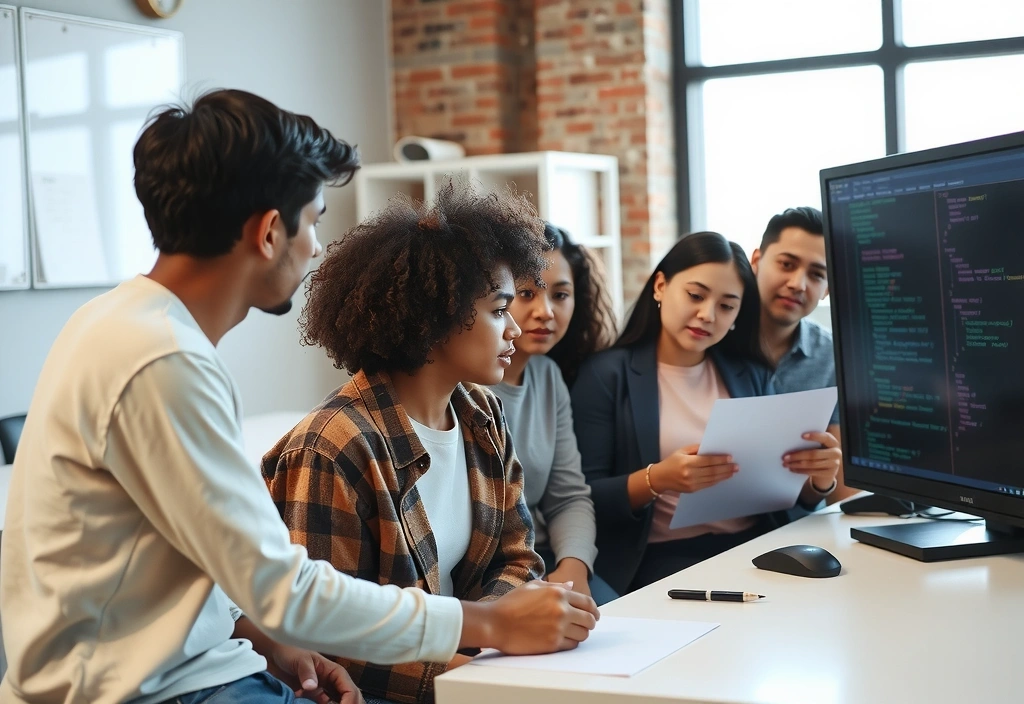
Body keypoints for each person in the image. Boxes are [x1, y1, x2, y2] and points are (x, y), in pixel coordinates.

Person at [0, 90, 597, 704]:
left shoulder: (125, 326)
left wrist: (268, 641)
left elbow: (203, 560)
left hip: (197, 667)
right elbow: (285, 587)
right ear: (267, 233)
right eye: (312, 220)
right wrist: (491, 625)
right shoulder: (163, 360)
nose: (315, 247)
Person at [263, 186, 598, 704]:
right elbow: (324, 632)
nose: (515, 329)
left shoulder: (481, 413)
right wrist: (472, 657)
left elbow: (517, 555)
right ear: (435, 319)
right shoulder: (334, 447)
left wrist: (501, 639)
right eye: (499, 310)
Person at [571, 232, 842, 595]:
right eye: (695, 295)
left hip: (756, 548)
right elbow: (584, 496)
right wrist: (657, 479)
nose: (707, 314)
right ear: (661, 286)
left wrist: (818, 480)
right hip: (658, 558)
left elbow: (788, 493)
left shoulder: (751, 372)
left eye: (727, 306)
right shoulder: (607, 374)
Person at [490, 223, 618, 606]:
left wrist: (575, 567)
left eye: (560, 295)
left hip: (544, 559)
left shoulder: (548, 377)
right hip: (488, 576)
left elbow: (567, 497)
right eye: (525, 294)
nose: (545, 311)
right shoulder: (463, 387)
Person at [751, 207, 857, 502]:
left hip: (790, 526)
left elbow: (836, 490)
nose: (798, 284)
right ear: (757, 262)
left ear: (827, 289)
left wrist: (822, 482)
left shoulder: (832, 356)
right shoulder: (713, 336)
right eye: (786, 264)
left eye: (816, 274)